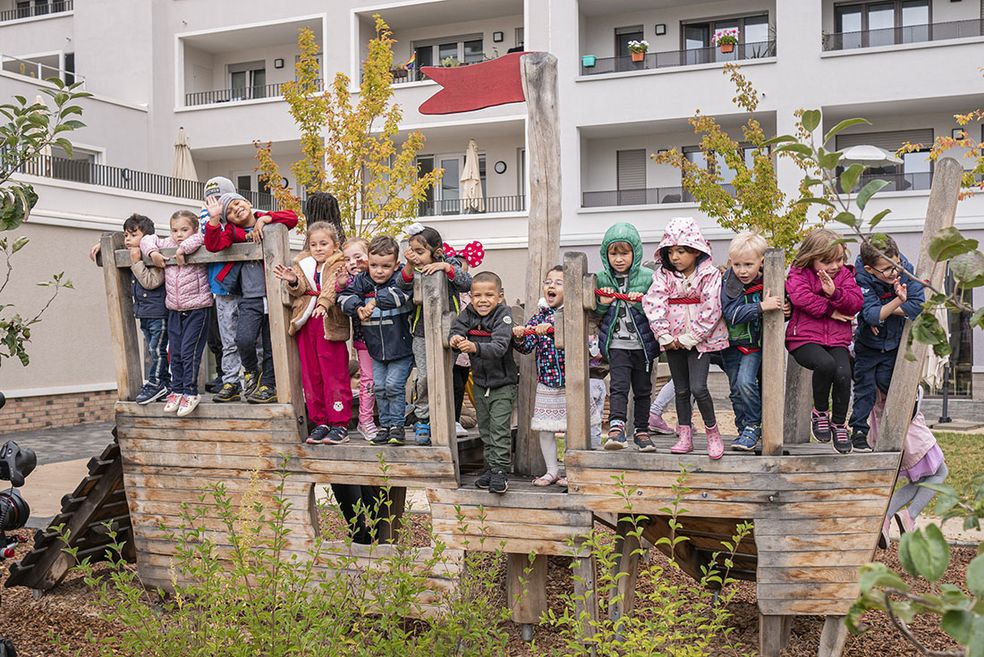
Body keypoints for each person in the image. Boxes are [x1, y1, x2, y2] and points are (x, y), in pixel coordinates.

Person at [643, 217, 730, 459]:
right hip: (672, 340)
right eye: (670, 252)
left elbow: (712, 307)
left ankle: (713, 432)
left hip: (699, 341)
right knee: (681, 389)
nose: (675, 257)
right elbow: (654, 303)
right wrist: (663, 334)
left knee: (698, 387)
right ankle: (685, 434)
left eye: (681, 251)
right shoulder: (663, 276)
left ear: (695, 251)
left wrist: (692, 336)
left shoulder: (709, 275)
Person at [203, 192, 299, 403]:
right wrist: (214, 219)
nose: (235, 209)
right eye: (229, 211)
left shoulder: (268, 219)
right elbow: (213, 245)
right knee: (243, 340)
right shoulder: (232, 230)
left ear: (248, 203)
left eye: (237, 203)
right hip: (251, 296)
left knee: (271, 344)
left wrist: (265, 219)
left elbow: (292, 218)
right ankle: (251, 371)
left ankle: (268, 385)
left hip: (275, 294)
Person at [785, 228, 864, 454]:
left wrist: (835, 293)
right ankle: (820, 412)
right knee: (825, 364)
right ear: (811, 257)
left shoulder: (845, 276)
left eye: (839, 259)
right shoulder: (799, 273)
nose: (834, 266)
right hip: (803, 339)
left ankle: (839, 424)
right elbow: (800, 297)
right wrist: (830, 309)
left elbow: (856, 302)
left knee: (843, 373)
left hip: (837, 340)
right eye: (827, 261)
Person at [274, 222, 352, 445]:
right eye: (313, 244)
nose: (318, 248)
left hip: (328, 322)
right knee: (310, 373)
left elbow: (330, 287)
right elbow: (299, 290)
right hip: (306, 322)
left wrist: (324, 303)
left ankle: (339, 423)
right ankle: (320, 421)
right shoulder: (302, 263)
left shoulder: (338, 262)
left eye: (324, 243)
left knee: (333, 372)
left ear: (335, 245)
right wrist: (293, 280)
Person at [849, 236, 925, 452]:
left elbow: (917, 306)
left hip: (892, 342)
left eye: (896, 264)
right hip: (867, 343)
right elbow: (871, 316)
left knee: (885, 381)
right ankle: (859, 431)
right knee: (864, 388)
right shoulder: (862, 277)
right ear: (870, 269)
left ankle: (912, 398)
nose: (895, 272)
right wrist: (898, 302)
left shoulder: (904, 269)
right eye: (887, 269)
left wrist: (884, 311)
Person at [398, 224, 472, 445]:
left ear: (436, 251)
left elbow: (466, 282)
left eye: (420, 252)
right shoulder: (414, 268)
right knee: (424, 377)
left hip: (447, 331)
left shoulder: (448, 263)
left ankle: (443, 419)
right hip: (421, 332)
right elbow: (402, 284)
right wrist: (411, 265)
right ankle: (422, 418)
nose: (417, 256)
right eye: (413, 251)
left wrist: (444, 267)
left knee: (442, 376)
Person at [338, 236, 415, 446]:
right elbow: (344, 295)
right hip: (376, 349)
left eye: (385, 266)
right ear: (368, 263)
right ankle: (386, 426)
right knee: (379, 387)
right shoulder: (363, 280)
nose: (379, 271)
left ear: (396, 265)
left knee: (393, 386)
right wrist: (357, 307)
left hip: (400, 347)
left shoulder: (400, 279)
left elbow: (400, 296)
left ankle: (397, 426)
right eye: (374, 265)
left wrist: (373, 302)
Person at [88, 214, 171, 404]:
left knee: (156, 350)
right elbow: (115, 249)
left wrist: (136, 261)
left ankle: (156, 383)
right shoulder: (131, 254)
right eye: (126, 235)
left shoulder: (153, 254)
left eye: (133, 235)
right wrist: (103, 246)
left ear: (147, 237)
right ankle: (165, 384)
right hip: (144, 313)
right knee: (153, 349)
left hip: (159, 313)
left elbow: (150, 282)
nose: (127, 240)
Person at [449, 271, 518, 494]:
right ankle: (489, 468)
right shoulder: (469, 313)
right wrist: (455, 338)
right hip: (480, 382)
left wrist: (474, 347)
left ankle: (500, 471)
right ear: (470, 296)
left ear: (500, 296)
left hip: (503, 383)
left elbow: (499, 347)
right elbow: (457, 328)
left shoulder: (503, 315)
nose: (482, 300)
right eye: (477, 295)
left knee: (499, 429)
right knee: (486, 429)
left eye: (489, 295)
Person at [594, 223, 660, 451]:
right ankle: (616, 428)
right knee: (619, 386)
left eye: (624, 253)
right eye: (614, 253)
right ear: (606, 254)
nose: (619, 259)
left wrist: (641, 303)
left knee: (643, 389)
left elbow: (659, 308)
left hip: (642, 346)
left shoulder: (648, 277)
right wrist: (602, 305)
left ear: (635, 253)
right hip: (617, 343)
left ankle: (642, 431)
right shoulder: (602, 279)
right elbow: (595, 312)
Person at [140, 210, 213, 417]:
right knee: (177, 354)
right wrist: (154, 253)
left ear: (193, 228)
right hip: (174, 309)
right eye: (174, 230)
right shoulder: (167, 244)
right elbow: (147, 239)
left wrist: (182, 249)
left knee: (190, 353)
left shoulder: (198, 241)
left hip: (197, 308)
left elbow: (202, 238)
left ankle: (190, 391)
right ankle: (177, 389)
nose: (179, 234)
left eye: (184, 229)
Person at [720, 232, 787, 451]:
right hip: (732, 345)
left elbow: (783, 305)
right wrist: (760, 307)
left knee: (745, 382)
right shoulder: (729, 283)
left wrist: (788, 310)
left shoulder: (771, 278)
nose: (742, 270)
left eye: (748, 264)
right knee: (735, 390)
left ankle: (752, 425)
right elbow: (731, 313)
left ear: (761, 261)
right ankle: (744, 429)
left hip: (754, 346)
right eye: (737, 264)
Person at [868, 389, 947, 548]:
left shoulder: (865, 373)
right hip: (908, 431)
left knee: (921, 479)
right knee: (940, 472)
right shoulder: (889, 371)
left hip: (883, 428)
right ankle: (909, 516)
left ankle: (886, 518)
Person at [513, 266, 568, 486]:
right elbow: (527, 347)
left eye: (558, 282)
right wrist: (519, 336)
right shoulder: (538, 318)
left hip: (572, 381)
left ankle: (572, 470)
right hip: (547, 380)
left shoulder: (572, 314)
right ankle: (552, 471)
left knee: (574, 429)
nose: (551, 286)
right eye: (548, 282)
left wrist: (554, 326)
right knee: (546, 429)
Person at [197, 176, 243, 403]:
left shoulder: (237, 216)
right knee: (224, 339)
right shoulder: (204, 216)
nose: (213, 203)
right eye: (210, 199)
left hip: (243, 285)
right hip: (218, 285)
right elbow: (204, 240)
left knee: (252, 339)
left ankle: (252, 379)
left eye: (219, 199)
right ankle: (229, 379)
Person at [340, 237, 377, 441]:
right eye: (347, 259)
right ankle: (365, 421)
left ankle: (391, 421)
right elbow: (343, 293)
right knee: (368, 380)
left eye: (357, 256)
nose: (352, 262)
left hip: (388, 339)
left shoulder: (379, 275)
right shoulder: (349, 282)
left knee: (387, 382)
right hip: (364, 339)